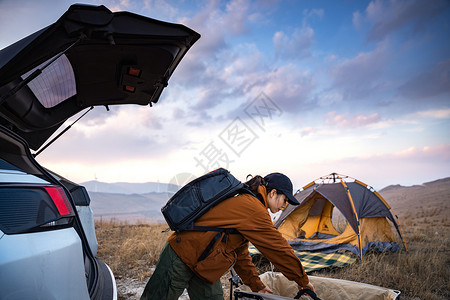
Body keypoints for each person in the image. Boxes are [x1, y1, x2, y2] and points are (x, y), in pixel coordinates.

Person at [141, 172, 315, 300]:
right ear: (272, 193)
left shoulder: (251, 204)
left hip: (204, 265)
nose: (285, 206)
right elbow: (277, 248)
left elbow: (240, 252)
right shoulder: (253, 208)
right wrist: (302, 280)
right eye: (285, 200)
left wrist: (256, 285)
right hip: (180, 256)